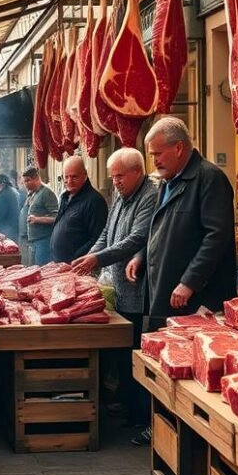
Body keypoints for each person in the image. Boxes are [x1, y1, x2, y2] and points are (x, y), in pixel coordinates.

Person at [73, 149, 159, 443]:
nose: (116, 182)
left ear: (138, 171)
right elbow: (107, 234)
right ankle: (127, 406)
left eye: (120, 176)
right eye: (113, 176)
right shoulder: (121, 196)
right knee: (122, 354)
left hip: (138, 289)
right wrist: (90, 256)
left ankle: (140, 414)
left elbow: (137, 238)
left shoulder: (150, 194)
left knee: (135, 348)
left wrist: (97, 260)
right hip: (118, 286)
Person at [128, 117, 235, 326]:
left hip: (194, 300)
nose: (154, 161)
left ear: (178, 147)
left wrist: (190, 281)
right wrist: (142, 255)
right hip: (165, 291)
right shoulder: (167, 182)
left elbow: (216, 236)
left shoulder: (209, 178)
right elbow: (160, 228)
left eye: (157, 154)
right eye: (151, 155)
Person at [49, 157, 108, 264]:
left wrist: (75, 259)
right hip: (60, 265)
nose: (69, 181)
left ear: (85, 175)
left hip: (78, 266)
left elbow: (98, 238)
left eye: (74, 177)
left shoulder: (94, 201)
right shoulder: (65, 197)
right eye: (66, 177)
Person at [17, 167, 58, 265]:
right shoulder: (33, 193)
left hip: (44, 241)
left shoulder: (47, 193)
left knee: (42, 271)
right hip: (33, 241)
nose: (26, 184)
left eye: (28, 181)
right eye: (24, 182)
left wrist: (37, 219)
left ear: (36, 178)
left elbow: (57, 217)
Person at [0, 174, 21, 242]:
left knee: (9, 248)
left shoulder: (3, 195)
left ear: (2, 183)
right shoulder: (12, 191)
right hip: (14, 229)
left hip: (7, 231)